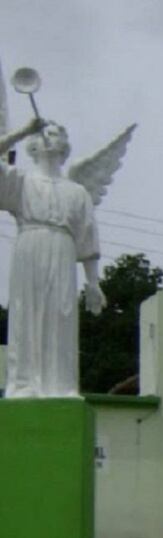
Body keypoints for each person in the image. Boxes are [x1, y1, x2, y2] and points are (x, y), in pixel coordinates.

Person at [0, 117, 105, 397]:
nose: (51, 136)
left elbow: (88, 237)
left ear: (65, 145)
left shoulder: (77, 192)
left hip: (63, 249)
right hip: (30, 244)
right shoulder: (21, 181)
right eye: (45, 132)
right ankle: (23, 383)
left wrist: (93, 283)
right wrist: (21, 131)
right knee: (27, 311)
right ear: (33, 144)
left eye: (57, 132)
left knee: (62, 314)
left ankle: (63, 385)